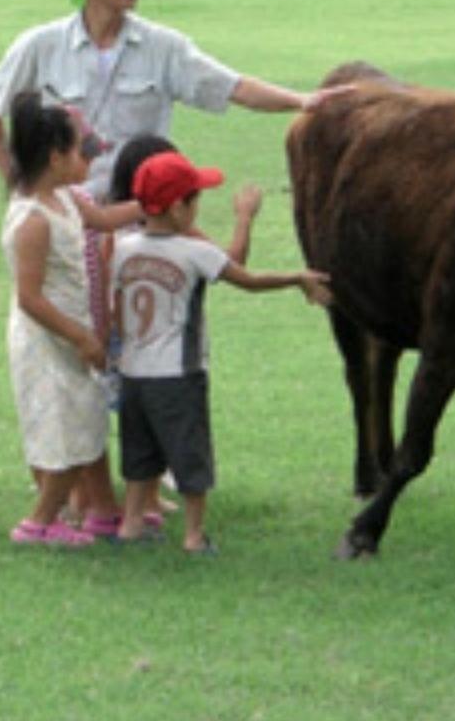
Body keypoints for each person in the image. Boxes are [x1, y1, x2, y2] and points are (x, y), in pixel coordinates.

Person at [0, 0, 350, 200]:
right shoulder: (40, 45)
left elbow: (234, 87)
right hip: (66, 219)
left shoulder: (163, 46)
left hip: (139, 218)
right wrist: (18, 181)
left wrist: (301, 101)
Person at [110, 151, 332, 553]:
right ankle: (194, 536)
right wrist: (295, 276)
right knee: (190, 454)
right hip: (179, 374)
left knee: (139, 455)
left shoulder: (122, 249)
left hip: (132, 372)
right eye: (196, 200)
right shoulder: (195, 253)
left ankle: (130, 524)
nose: (198, 208)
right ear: (179, 208)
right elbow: (246, 278)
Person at [1, 90, 144, 547]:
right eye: (82, 149)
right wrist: (82, 337)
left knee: (82, 423)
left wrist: (156, 201)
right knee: (65, 428)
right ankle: (39, 523)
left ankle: (55, 517)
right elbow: (30, 297)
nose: (90, 158)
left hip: (70, 334)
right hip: (48, 339)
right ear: (55, 156)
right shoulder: (33, 220)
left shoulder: (66, 196)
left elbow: (102, 219)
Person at [106, 133, 263, 514]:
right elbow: (234, 264)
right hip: (174, 361)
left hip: (122, 348)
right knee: (175, 425)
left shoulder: (116, 235)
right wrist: (244, 217)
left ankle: (131, 505)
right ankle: (163, 510)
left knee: (132, 428)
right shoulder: (179, 236)